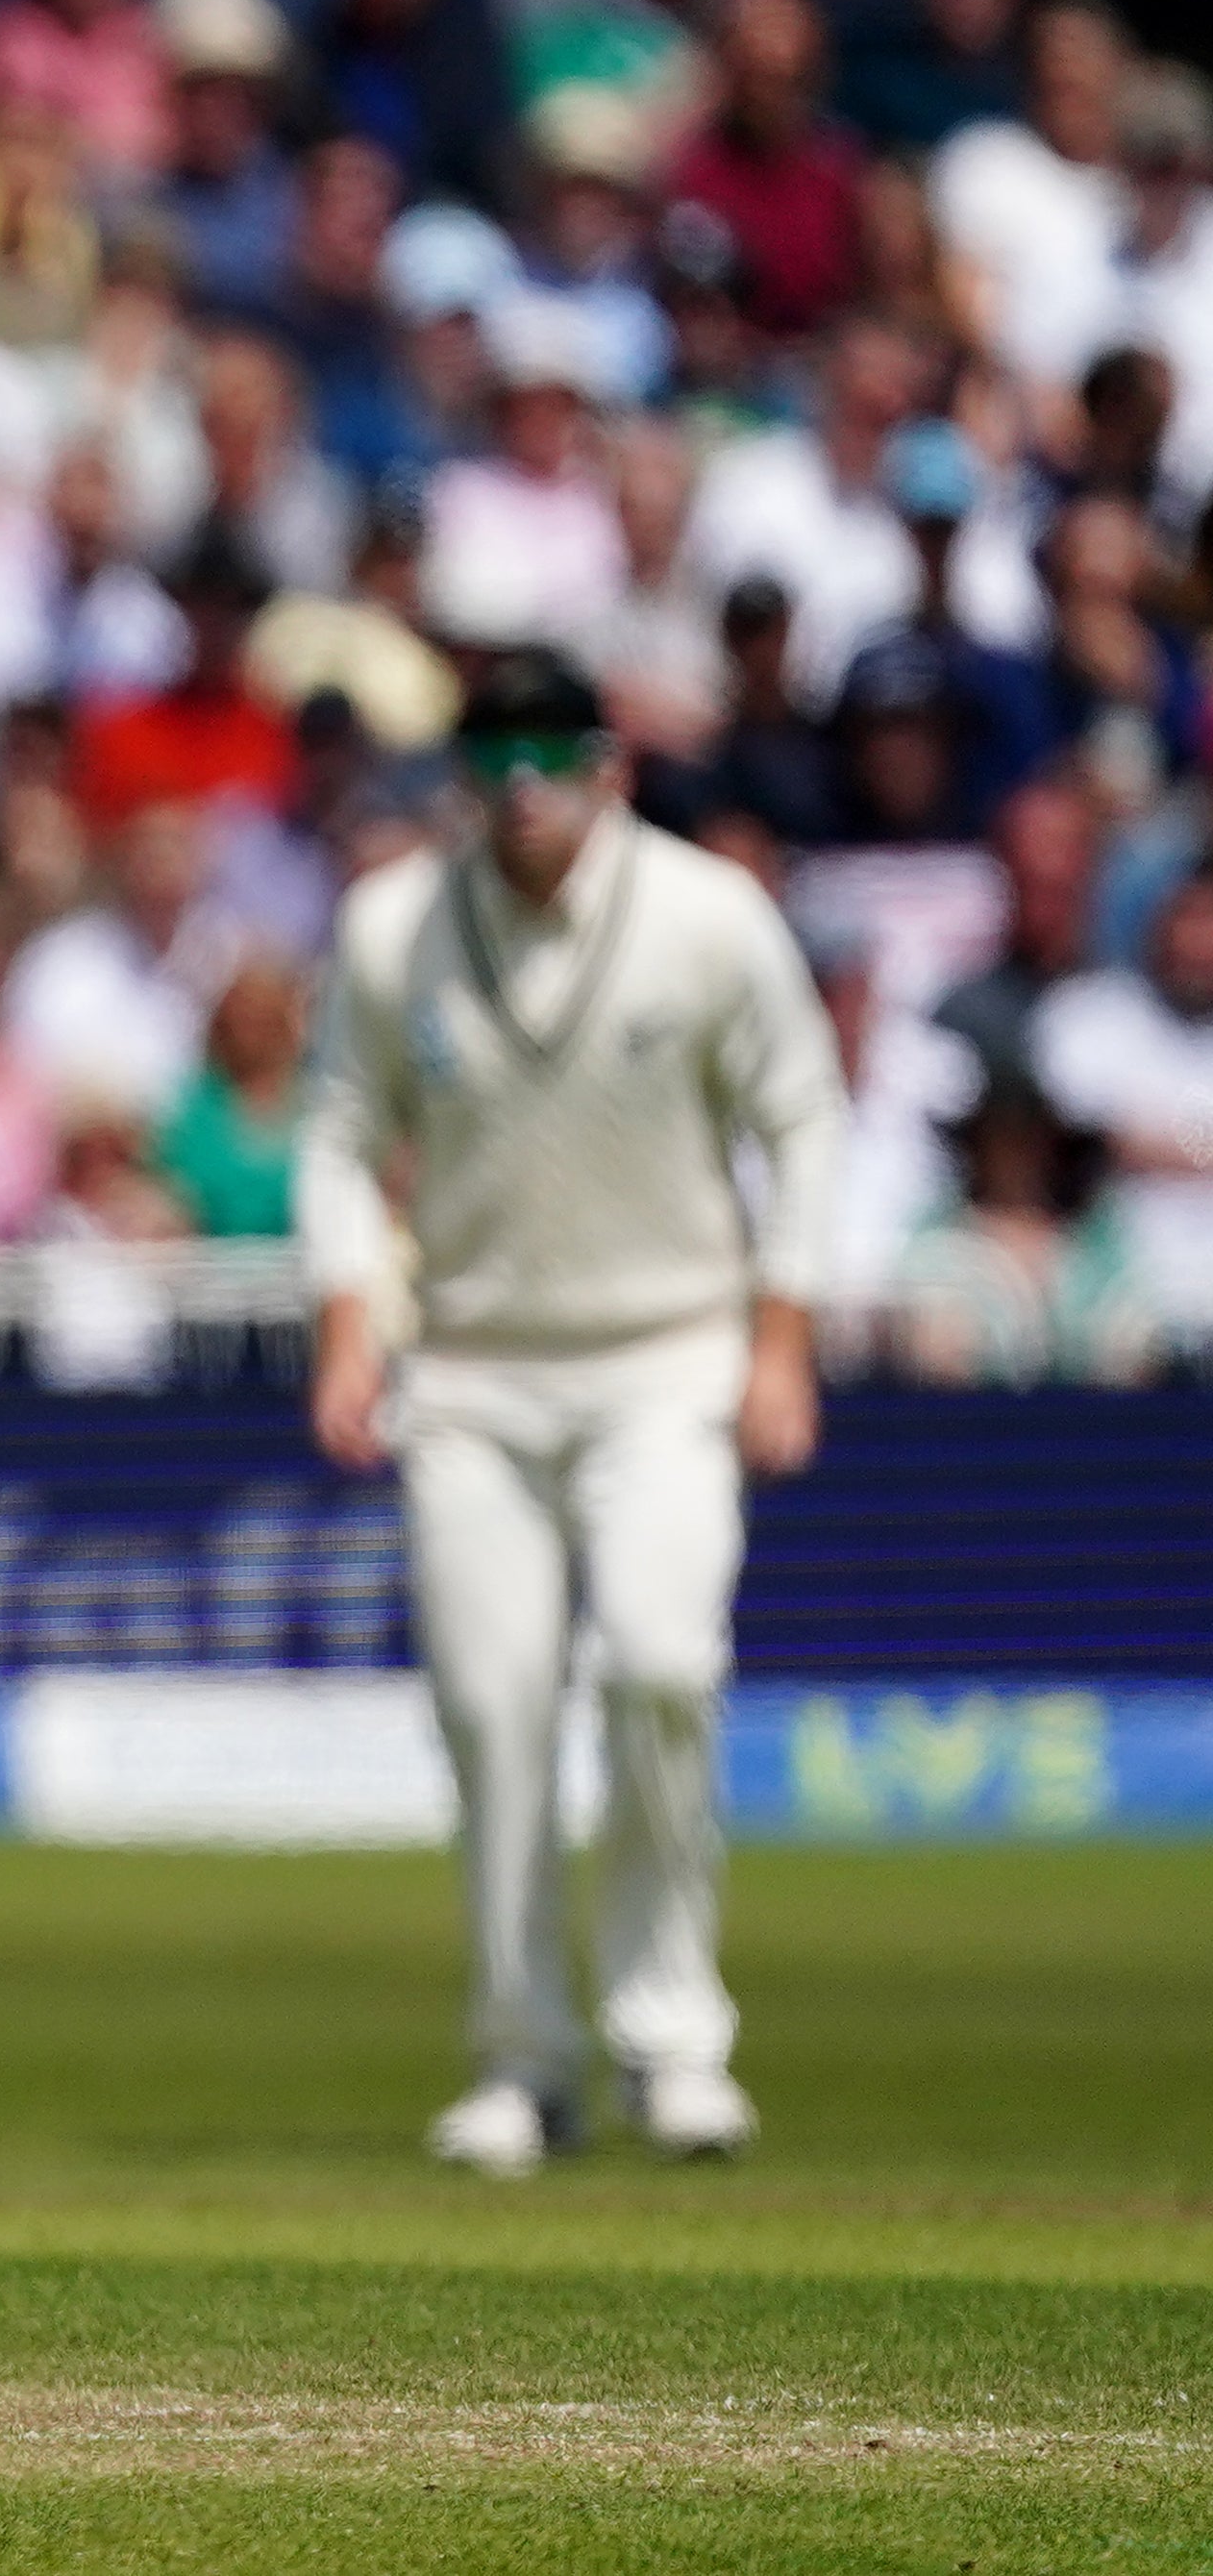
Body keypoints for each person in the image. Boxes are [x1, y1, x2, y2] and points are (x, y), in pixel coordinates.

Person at [299, 650, 847, 2178]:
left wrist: (783, 1330)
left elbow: (802, 1114)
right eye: (494, 761)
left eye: (551, 755)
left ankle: (673, 2040)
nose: (522, 790)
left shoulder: (707, 917)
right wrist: (353, 1312)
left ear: (609, 765)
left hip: (669, 1351)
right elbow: (341, 1132)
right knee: (496, 1703)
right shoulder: (395, 923)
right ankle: (522, 2055)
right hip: (470, 1368)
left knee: (667, 1665)